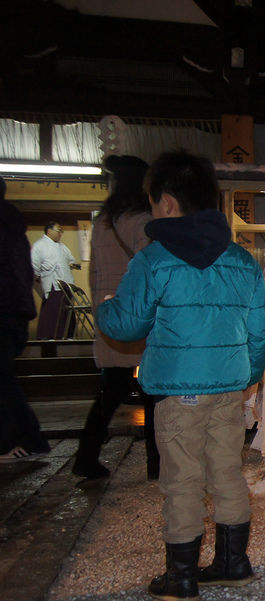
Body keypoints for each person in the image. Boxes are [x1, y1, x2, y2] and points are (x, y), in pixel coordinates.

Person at [97, 150, 265, 601]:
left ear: (168, 203)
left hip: (179, 393)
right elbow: (261, 331)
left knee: (182, 480)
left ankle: (181, 577)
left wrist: (106, 305)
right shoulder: (242, 261)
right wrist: (246, 376)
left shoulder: (154, 260)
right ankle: (233, 564)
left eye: (154, 203)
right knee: (227, 473)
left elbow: (125, 325)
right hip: (228, 390)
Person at [72, 155, 159, 479]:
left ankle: (86, 457)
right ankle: (156, 464)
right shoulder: (143, 220)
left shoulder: (102, 222)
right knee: (152, 391)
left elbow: (94, 274)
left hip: (111, 316)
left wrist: (102, 313)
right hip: (137, 314)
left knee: (110, 392)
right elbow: (147, 270)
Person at [0, 177, 51, 462]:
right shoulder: (14, 227)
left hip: (4, 310)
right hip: (14, 312)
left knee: (4, 381)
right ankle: (30, 439)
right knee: (5, 379)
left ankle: (14, 441)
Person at [31, 220, 81, 339]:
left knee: (67, 310)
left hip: (66, 282)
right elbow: (34, 263)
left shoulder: (62, 247)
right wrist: (36, 274)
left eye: (61, 231)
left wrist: (74, 264)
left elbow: (70, 259)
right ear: (49, 231)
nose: (60, 233)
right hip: (52, 282)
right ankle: (49, 336)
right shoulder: (39, 245)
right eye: (59, 230)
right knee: (52, 309)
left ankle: (68, 335)